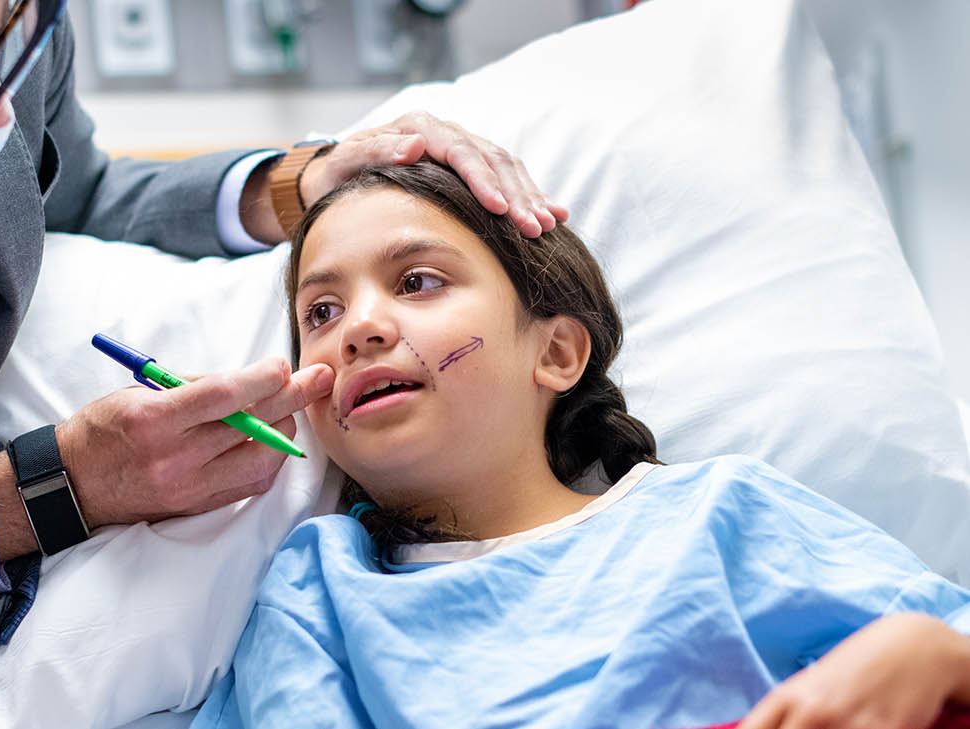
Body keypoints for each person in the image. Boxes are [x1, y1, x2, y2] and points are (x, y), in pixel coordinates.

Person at [0, 0, 571, 725]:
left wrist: (291, 187)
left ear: (562, 347)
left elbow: (67, 187)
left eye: (415, 279)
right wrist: (46, 495)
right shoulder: (302, 605)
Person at [189, 161, 970, 729]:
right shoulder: (319, 592)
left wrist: (927, 649)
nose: (358, 327)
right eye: (320, 312)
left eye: (417, 281)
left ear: (556, 353)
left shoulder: (720, 515)